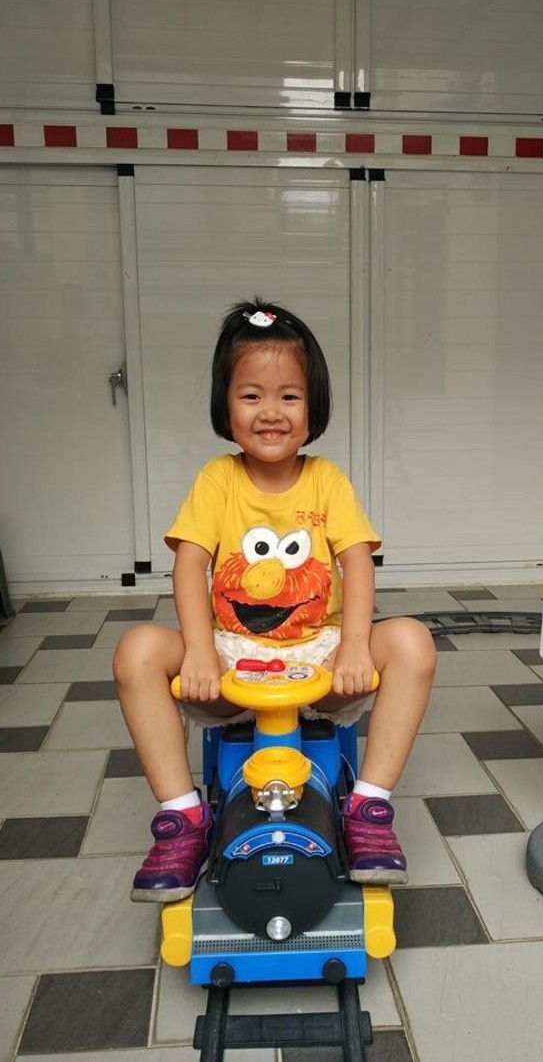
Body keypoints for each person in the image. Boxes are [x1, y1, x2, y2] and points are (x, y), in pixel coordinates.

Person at [113, 297, 436, 903]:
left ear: (314, 406)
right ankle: (182, 816)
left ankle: (368, 808)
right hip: (230, 661)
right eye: (251, 395)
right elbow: (190, 565)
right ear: (225, 404)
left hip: (320, 658)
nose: (270, 412)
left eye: (289, 396)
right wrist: (201, 652)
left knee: (413, 641)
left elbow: (356, 562)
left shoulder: (326, 479)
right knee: (136, 650)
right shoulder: (217, 479)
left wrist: (356, 646)